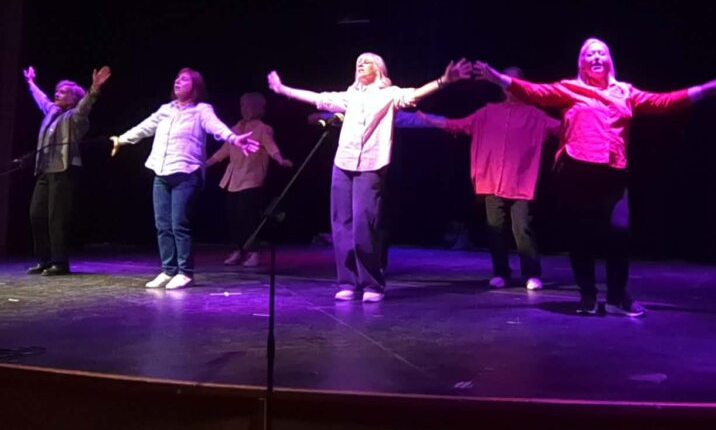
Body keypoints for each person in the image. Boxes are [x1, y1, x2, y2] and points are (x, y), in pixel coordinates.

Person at [474, 39, 716, 316]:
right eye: (590, 54)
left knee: (619, 235)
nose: (596, 57)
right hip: (577, 172)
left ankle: (617, 295)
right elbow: (535, 92)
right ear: (582, 62)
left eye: (601, 53)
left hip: (613, 173)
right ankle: (587, 295)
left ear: (609, 60)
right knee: (581, 236)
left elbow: (662, 102)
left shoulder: (625, 92)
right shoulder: (570, 88)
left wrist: (703, 90)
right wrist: (498, 78)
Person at [267, 53, 471, 302]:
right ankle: (347, 282)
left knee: (364, 224)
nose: (361, 64)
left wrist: (444, 80)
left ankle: (372, 283)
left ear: (379, 68)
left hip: (372, 164)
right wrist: (282, 89)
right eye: (358, 62)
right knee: (341, 224)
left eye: (366, 61)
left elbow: (415, 95)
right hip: (343, 163)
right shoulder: (350, 96)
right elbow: (318, 98)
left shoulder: (389, 94)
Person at [110, 68, 258, 290]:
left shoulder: (201, 110)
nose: (178, 81)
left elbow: (216, 127)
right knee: (162, 225)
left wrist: (233, 138)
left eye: (184, 79)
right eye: (177, 78)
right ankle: (168, 270)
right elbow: (145, 127)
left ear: (195, 86)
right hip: (161, 172)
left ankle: (185, 272)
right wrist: (121, 140)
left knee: (179, 223)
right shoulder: (165, 110)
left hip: (186, 173)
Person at [426, 67, 560, 291]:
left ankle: (531, 273)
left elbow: (560, 128)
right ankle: (500, 272)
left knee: (522, 227)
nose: (509, 87)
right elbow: (459, 124)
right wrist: (428, 120)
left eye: (514, 82)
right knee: (495, 228)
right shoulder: (488, 112)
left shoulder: (534, 115)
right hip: (491, 180)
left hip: (520, 181)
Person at [22, 65, 111, 276]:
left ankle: (60, 262)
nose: (57, 94)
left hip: (64, 170)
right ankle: (44, 260)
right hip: (44, 171)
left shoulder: (75, 117)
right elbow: (42, 99)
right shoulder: (52, 111)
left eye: (63, 92)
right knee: (36, 214)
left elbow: (85, 105)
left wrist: (94, 88)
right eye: (57, 91)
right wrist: (31, 82)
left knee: (56, 217)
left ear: (73, 99)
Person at [205, 92, 292, 267]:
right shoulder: (235, 129)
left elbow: (271, 147)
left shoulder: (263, 129)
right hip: (233, 179)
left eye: (250, 106)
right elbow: (223, 152)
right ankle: (239, 249)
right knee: (233, 215)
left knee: (248, 216)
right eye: (243, 106)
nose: (245, 110)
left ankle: (254, 251)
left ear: (258, 109)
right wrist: (204, 164)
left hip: (251, 177)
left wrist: (280, 159)